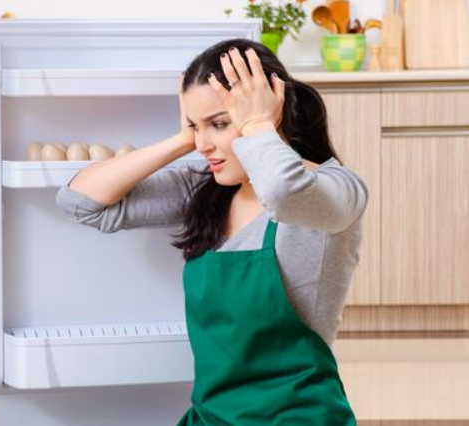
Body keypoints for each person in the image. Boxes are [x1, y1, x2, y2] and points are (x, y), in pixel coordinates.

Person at [55, 38, 366, 425]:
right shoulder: (206, 191)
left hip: (297, 418)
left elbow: (284, 193)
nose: (205, 144)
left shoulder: (338, 189)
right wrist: (186, 137)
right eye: (196, 126)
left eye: (220, 123)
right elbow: (81, 202)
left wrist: (256, 125)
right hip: (211, 416)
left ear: (271, 110)